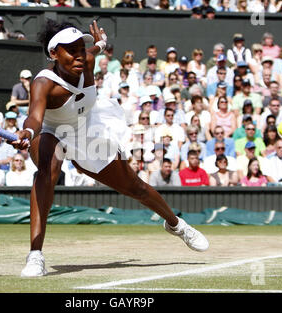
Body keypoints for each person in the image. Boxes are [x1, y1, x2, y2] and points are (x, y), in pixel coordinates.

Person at [11, 20, 208, 277]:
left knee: (134, 186)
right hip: (50, 131)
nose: (79, 55)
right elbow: (35, 117)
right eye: (71, 50)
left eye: (81, 48)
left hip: (88, 129)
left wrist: (101, 42)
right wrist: (27, 132)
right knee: (48, 170)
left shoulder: (87, 60)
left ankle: (176, 225)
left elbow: (96, 49)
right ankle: (35, 254)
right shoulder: (43, 83)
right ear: (53, 54)